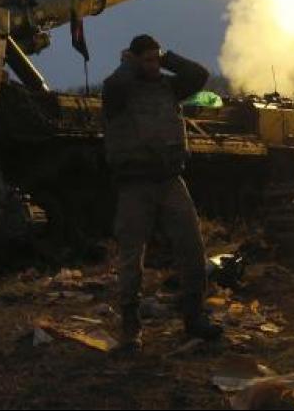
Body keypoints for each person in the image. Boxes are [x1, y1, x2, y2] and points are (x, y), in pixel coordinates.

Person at [102, 33, 222, 350]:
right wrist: (130, 64)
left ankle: (194, 317)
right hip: (135, 183)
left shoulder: (169, 87)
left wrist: (168, 57)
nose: (154, 66)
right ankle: (130, 327)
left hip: (170, 180)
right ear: (132, 60)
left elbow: (199, 75)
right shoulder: (119, 91)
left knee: (192, 248)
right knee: (131, 258)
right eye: (148, 60)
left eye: (157, 60)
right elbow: (115, 86)